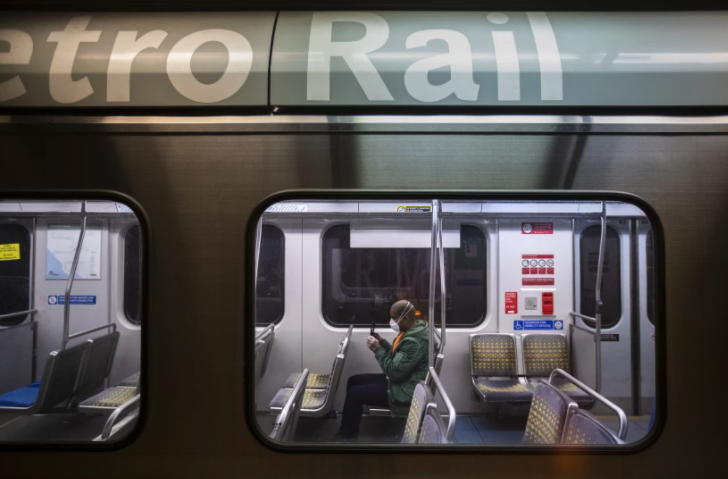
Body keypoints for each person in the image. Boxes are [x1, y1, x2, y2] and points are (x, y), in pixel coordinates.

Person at [335, 300, 430, 441]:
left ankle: (347, 437)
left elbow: (393, 372)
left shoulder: (414, 342)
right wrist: (383, 343)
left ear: (405, 318)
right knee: (353, 380)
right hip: (404, 380)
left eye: (394, 317)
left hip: (405, 390)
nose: (392, 321)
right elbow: (399, 357)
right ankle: (348, 427)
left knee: (354, 394)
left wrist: (377, 349)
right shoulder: (411, 331)